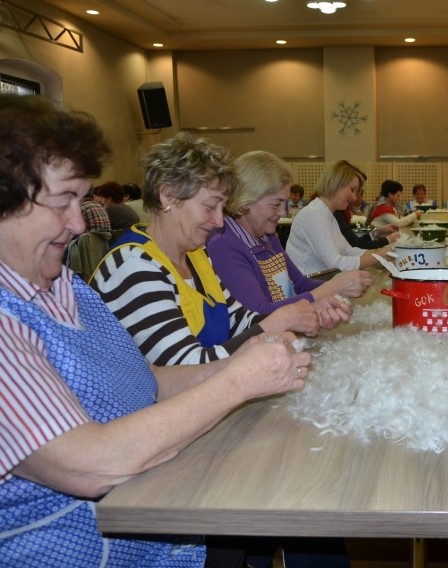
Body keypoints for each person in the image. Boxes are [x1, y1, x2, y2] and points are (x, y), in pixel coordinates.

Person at [0, 93, 309, 567]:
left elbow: (150, 378)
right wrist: (238, 379)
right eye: (63, 201)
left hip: (160, 516)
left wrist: (251, 359)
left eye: (80, 201)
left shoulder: (66, 283)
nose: (79, 222)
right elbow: (90, 466)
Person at [90, 133, 344, 367]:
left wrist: (297, 314)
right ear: (168, 196)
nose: (219, 222)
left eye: (222, 208)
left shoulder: (196, 256)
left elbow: (238, 321)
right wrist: (274, 325)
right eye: (211, 206)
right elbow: (186, 369)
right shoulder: (133, 266)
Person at [207, 150, 372, 315]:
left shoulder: (268, 237)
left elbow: (299, 285)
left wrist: (342, 286)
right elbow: (260, 314)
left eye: (285, 204)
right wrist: (334, 287)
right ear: (245, 201)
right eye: (275, 204)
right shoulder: (224, 245)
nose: (283, 213)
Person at [286, 160, 394, 274]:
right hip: (310, 287)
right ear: (336, 184)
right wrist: (378, 256)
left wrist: (382, 253)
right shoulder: (314, 214)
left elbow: (348, 250)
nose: (353, 197)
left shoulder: (327, 214)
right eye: (352, 190)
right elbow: (337, 264)